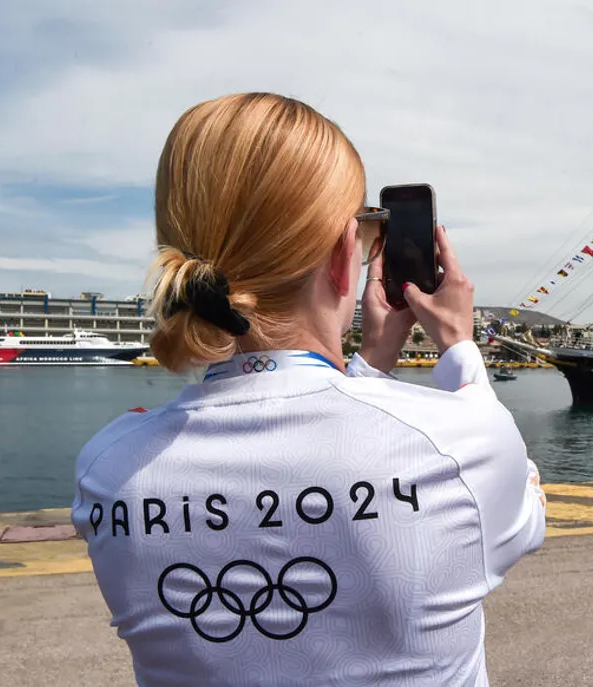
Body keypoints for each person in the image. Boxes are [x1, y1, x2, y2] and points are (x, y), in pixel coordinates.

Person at [70, 93, 547, 687]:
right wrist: (458, 346)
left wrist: (370, 366)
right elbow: (521, 509)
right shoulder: (459, 442)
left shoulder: (110, 469)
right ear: (346, 255)